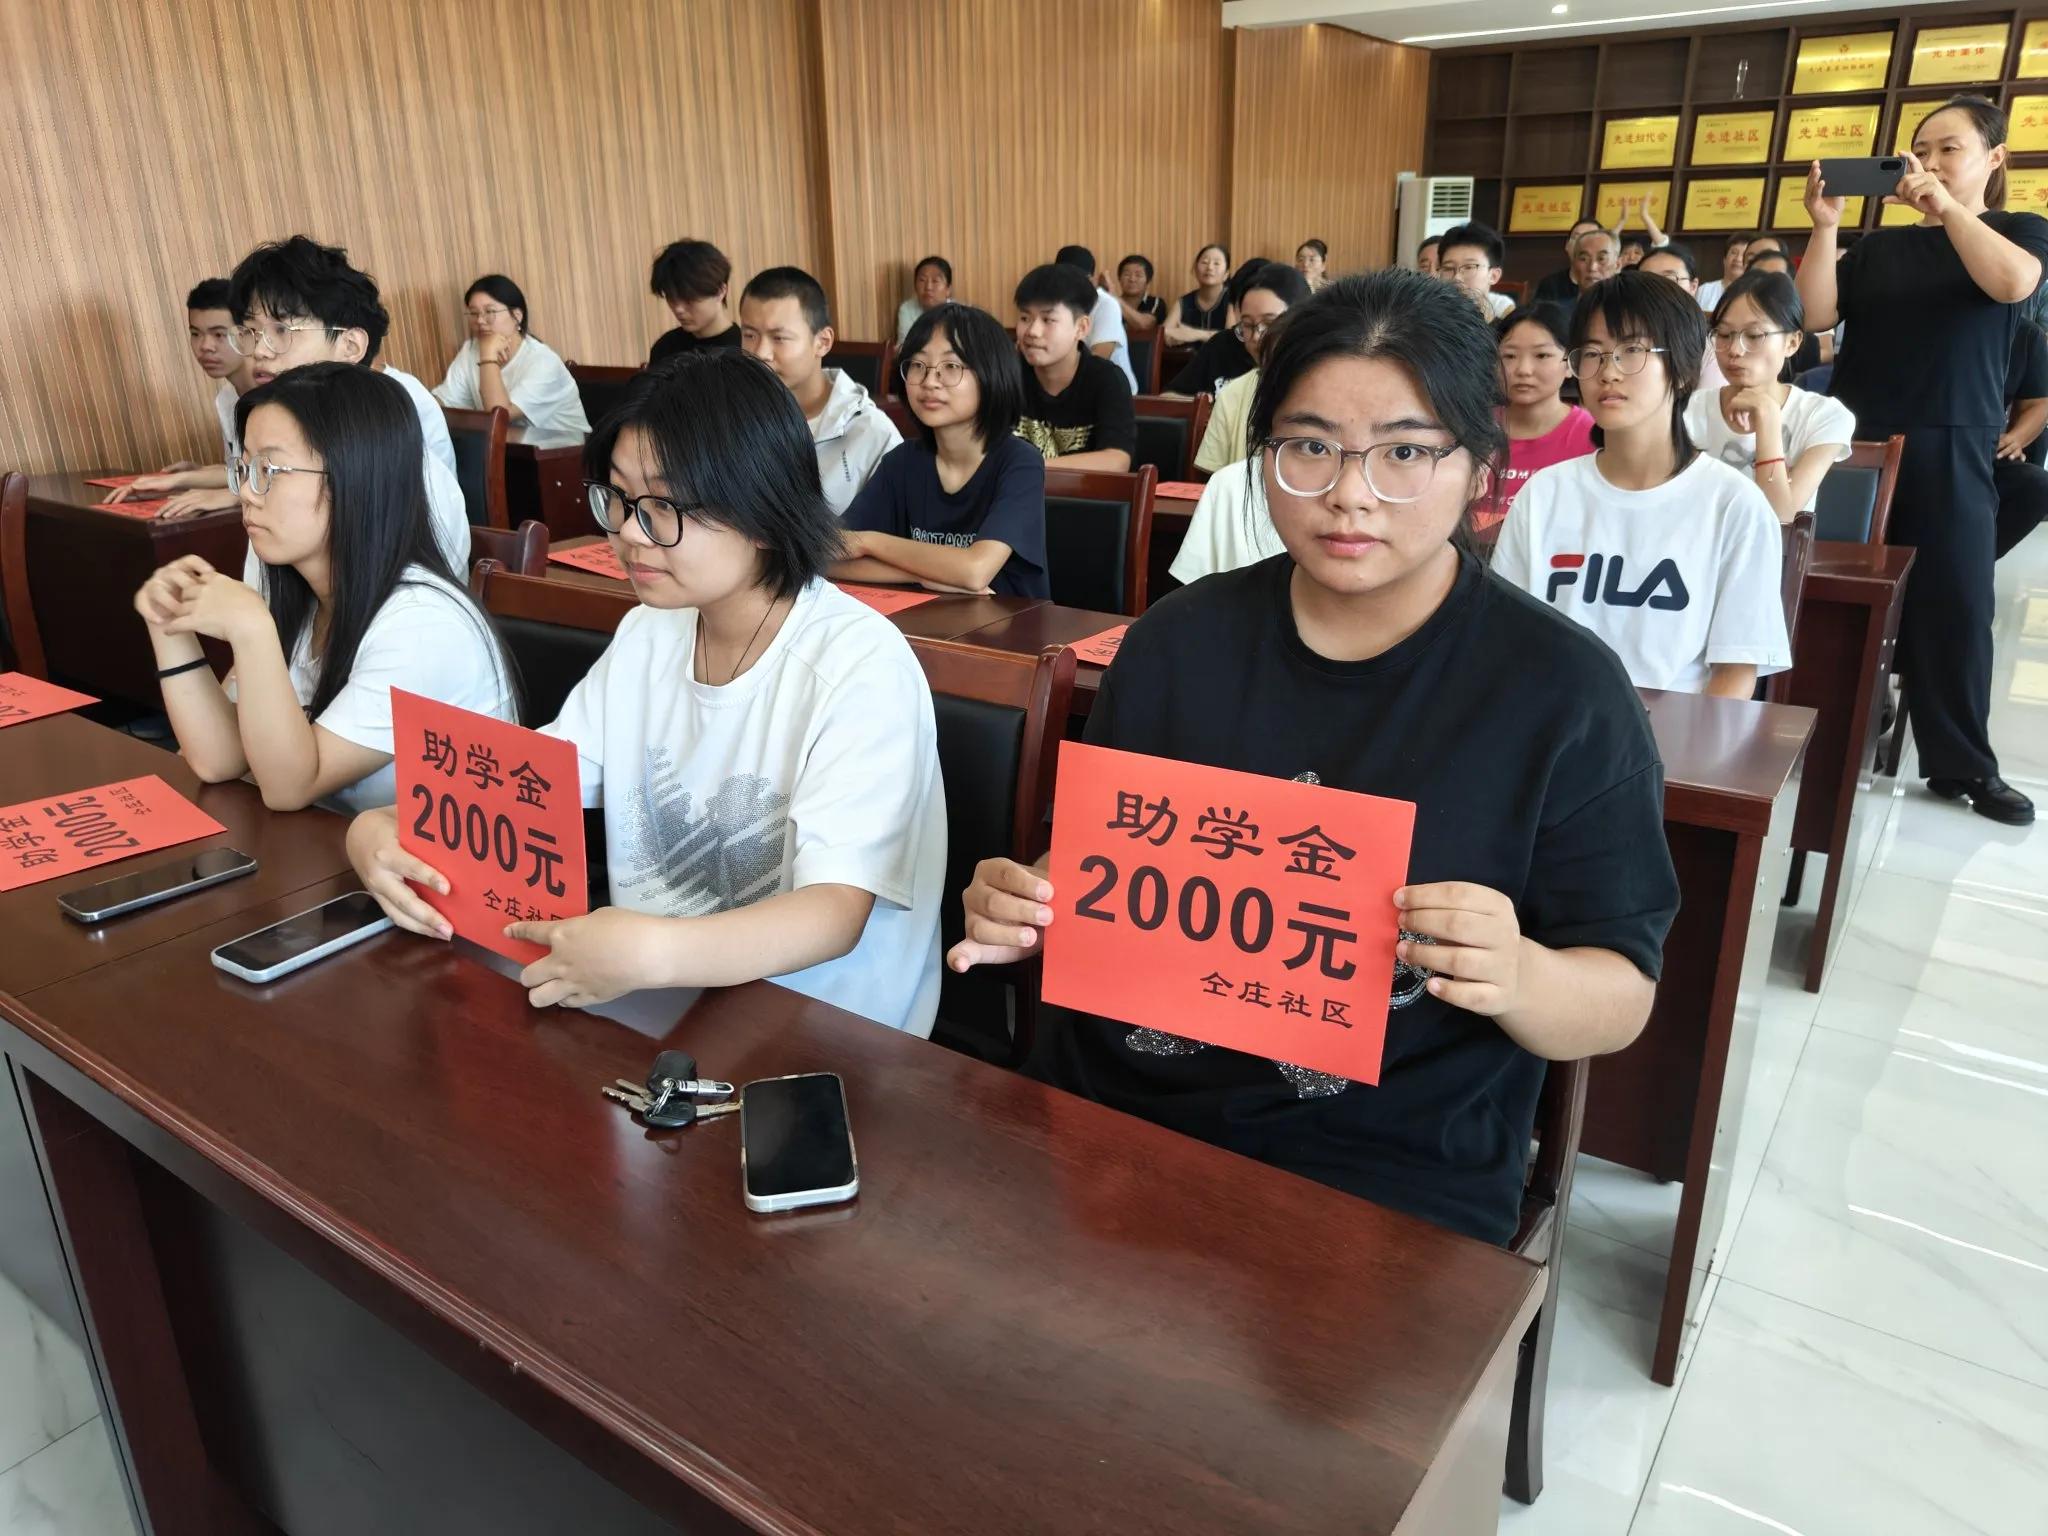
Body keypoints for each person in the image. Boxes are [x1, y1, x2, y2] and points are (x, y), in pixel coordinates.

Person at [948, 270, 1680, 1247]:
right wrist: (1029, 901)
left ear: (1479, 469)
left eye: (1404, 452)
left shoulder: (1563, 694)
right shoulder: (1175, 642)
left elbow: (1621, 995)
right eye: (1308, 447)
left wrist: (1516, 974)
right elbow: (1094, 862)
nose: (1347, 496)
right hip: (1105, 1114)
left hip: (1379, 1170)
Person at [347, 352, 948, 1034]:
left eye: (663, 506)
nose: (629, 534)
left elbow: (834, 913)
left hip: (819, 1029)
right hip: (646, 996)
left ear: (761, 509)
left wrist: (650, 952)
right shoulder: (650, 632)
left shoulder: (859, 665)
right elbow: (535, 781)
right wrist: (384, 824)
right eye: (620, 500)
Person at [1800, 94, 2048, 825]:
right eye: (1922, 149)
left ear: (1994, 158)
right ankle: (1822, 729)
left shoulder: (2017, 230)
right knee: (1834, 590)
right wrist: (1826, 227)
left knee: (1958, 606)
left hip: (1954, 436)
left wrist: (1947, 209)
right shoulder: (1879, 248)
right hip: (1857, 442)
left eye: (1950, 149)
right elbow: (1815, 316)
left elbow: (2014, 284)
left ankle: (1962, 765)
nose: (1931, 162)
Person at [133, 363, 514, 815]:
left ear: (353, 477)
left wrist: (252, 630)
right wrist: (169, 625)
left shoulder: (422, 623)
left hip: (410, 860)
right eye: (245, 468)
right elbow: (221, 759)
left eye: (270, 469)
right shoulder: (307, 595)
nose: (247, 493)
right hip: (332, 847)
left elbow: (289, 787)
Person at [1493, 270, 1791, 698]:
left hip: (1673, 731)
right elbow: (1509, 641)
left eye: (1632, 350)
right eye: (1592, 353)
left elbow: (1734, 674)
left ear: (1683, 370)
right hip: (1554, 723)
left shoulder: (1733, 504)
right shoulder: (1544, 494)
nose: (1608, 372)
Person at [147, 238, 470, 582]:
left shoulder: (408, 460)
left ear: (350, 345)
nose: (260, 351)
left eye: (282, 330)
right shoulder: (277, 482)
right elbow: (267, 596)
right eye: (252, 332)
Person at [835, 303, 1047, 597]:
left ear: (991, 373)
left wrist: (870, 542)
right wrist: (919, 574)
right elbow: (827, 556)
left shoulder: (1020, 462)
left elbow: (975, 571)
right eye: (918, 365)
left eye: (951, 367)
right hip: (926, 618)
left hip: (1011, 622)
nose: (929, 382)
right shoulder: (902, 461)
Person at [1685, 270, 1856, 522]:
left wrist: (1767, 418)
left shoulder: (1824, 416)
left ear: (1792, 343)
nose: (1734, 350)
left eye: (1754, 336)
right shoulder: (1689, 410)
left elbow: (1781, 517)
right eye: (1724, 334)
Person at [738, 265, 901, 514]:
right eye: (750, 335)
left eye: (779, 338)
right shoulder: (732, 416)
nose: (760, 353)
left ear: (822, 342)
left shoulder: (872, 433)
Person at [104, 279, 261, 516]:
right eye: (196, 334)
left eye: (219, 334)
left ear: (248, 334)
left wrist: (184, 481)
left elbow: (284, 475)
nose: (205, 346)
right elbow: (242, 471)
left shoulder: (277, 393)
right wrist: (196, 475)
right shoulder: (226, 399)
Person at [1480, 303, 1594, 531]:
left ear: (1571, 363)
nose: (1523, 369)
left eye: (1542, 355)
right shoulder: (1472, 428)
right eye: (1509, 356)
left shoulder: (1592, 438)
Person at [432, 275, 590, 439]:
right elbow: (445, 401)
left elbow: (499, 415)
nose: (479, 320)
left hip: (567, 449)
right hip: (511, 448)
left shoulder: (543, 362)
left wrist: (487, 356)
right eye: (473, 313)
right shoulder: (470, 350)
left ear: (517, 316)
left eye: (490, 312)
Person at [1013, 263, 1136, 471]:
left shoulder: (1107, 379)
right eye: (1025, 318)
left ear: (1081, 328)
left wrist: (1030, 469)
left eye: (1048, 320)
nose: (1033, 331)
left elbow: (1117, 460)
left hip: (1082, 493)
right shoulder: (1007, 373)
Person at [1193, 263, 1310, 474]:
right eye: (1247, 325)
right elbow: (1214, 480)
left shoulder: (1330, 392)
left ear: (1304, 321)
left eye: (1270, 323)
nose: (1257, 336)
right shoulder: (1233, 394)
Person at [1163, 258, 1270, 398]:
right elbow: (1168, 396)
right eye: (1247, 319)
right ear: (1234, 308)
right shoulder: (1221, 344)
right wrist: (1204, 405)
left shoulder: (1291, 351)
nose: (1256, 335)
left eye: (1268, 320)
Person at [1638, 244, 1729, 390]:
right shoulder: (1620, 336)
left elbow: (1708, 400)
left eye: (1669, 278)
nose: (1657, 289)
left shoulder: (1712, 344)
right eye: (1647, 281)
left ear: (1693, 286)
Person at [1994, 321, 2048, 557]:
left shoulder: (2025, 335)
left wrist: (2015, 438)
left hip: (1986, 448)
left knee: (2037, 485)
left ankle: (1974, 559)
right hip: (1917, 441)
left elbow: (2037, 403)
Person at [1055, 245, 1137, 392]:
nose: (1068, 284)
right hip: (1070, 386)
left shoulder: (1106, 304)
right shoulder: (1056, 304)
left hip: (1115, 391)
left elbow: (1099, 358)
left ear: (1091, 279)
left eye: (1076, 277)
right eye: (1062, 277)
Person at [647, 239, 739, 366]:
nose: (678, 309)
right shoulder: (665, 347)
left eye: (688, 299)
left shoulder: (744, 349)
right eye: (671, 297)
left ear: (720, 291)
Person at [1437, 222, 1515, 319]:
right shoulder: (1428, 318)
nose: (1457, 278)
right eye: (1448, 268)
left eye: (1469, 267)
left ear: (1493, 276)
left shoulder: (1506, 322)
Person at [1165, 244, 1232, 345]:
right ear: (1195, 269)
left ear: (1226, 274)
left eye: (1216, 263)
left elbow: (1232, 338)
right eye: (1204, 262)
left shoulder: (1233, 299)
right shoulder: (1183, 302)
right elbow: (1163, 333)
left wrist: (1194, 334)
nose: (1209, 267)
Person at [1532, 218, 1605, 305]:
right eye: (1577, 238)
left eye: (1590, 239)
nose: (1582, 245)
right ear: (1567, 245)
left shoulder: (1609, 287)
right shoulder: (1550, 285)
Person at [898, 256, 953, 344]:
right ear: (915, 286)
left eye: (935, 281)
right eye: (922, 280)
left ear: (948, 289)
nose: (928, 287)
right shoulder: (907, 309)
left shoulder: (958, 313)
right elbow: (904, 345)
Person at [1697, 234, 1751, 312]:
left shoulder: (1754, 295)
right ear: (1724, 260)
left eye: (1744, 255)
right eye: (1734, 252)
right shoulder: (1705, 290)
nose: (1738, 259)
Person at [1116, 254, 1167, 336]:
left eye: (1138, 275)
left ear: (1148, 280)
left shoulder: (1155, 302)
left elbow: (1145, 325)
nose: (1132, 279)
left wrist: (1114, 298)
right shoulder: (1110, 304)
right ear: (1119, 278)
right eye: (1127, 275)